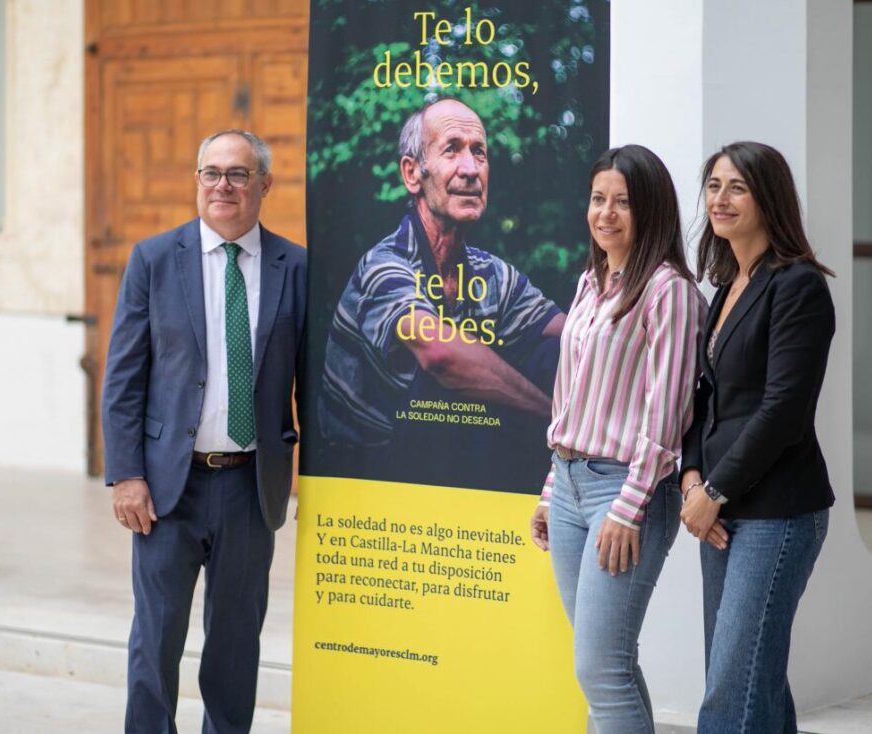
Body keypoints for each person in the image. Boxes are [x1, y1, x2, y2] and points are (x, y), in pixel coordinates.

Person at [102, 128, 307, 734]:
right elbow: (123, 378)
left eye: (238, 174)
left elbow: (309, 382)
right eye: (211, 173)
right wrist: (127, 475)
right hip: (168, 488)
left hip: (251, 490)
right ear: (197, 181)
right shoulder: (154, 259)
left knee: (236, 646)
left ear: (264, 184)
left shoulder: (295, 266)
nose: (223, 185)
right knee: (155, 642)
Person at [529, 144, 705, 733]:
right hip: (572, 485)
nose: (606, 213)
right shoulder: (590, 282)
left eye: (623, 202)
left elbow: (670, 408)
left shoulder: (669, 290)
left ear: (650, 210)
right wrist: (553, 484)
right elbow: (572, 391)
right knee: (607, 667)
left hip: (624, 492)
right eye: (598, 199)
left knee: (600, 669)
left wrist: (629, 508)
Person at [320, 98, 564, 488]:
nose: (470, 169)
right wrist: (552, 417)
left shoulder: (488, 271)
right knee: (446, 382)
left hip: (444, 458)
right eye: (452, 149)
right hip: (364, 478)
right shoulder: (384, 264)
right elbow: (440, 354)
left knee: (553, 356)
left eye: (479, 153)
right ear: (412, 173)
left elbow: (573, 335)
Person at [679, 141, 836, 734]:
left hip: (777, 512)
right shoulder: (726, 289)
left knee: (731, 689)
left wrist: (713, 489)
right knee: (754, 681)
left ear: (767, 198)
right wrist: (692, 476)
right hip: (719, 507)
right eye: (714, 186)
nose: (720, 199)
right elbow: (703, 397)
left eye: (737, 187)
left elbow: (783, 410)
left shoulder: (797, 287)